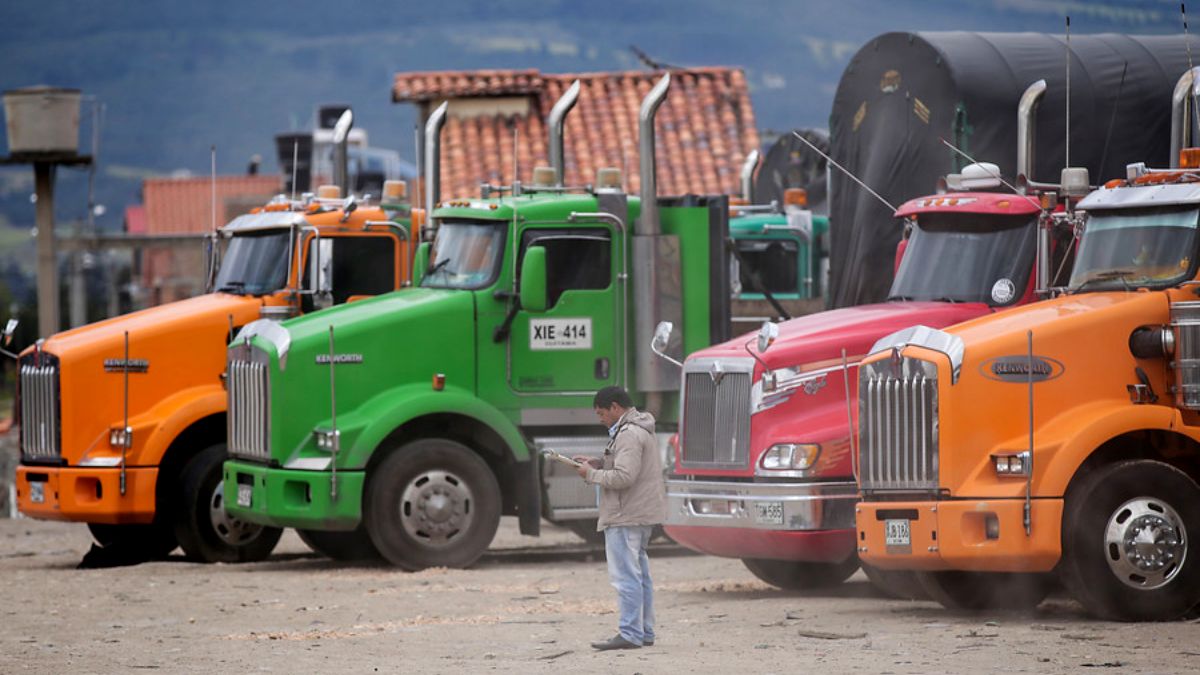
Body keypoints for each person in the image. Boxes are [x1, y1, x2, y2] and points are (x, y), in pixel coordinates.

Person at [574, 385, 667, 651]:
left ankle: (629, 633)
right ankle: (644, 631)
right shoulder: (639, 429)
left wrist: (589, 475)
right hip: (639, 513)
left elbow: (625, 477)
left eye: (602, 413)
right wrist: (599, 463)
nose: (600, 419)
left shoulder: (627, 434)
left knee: (625, 576)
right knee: (640, 576)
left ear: (615, 407)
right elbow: (626, 467)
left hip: (625, 514)